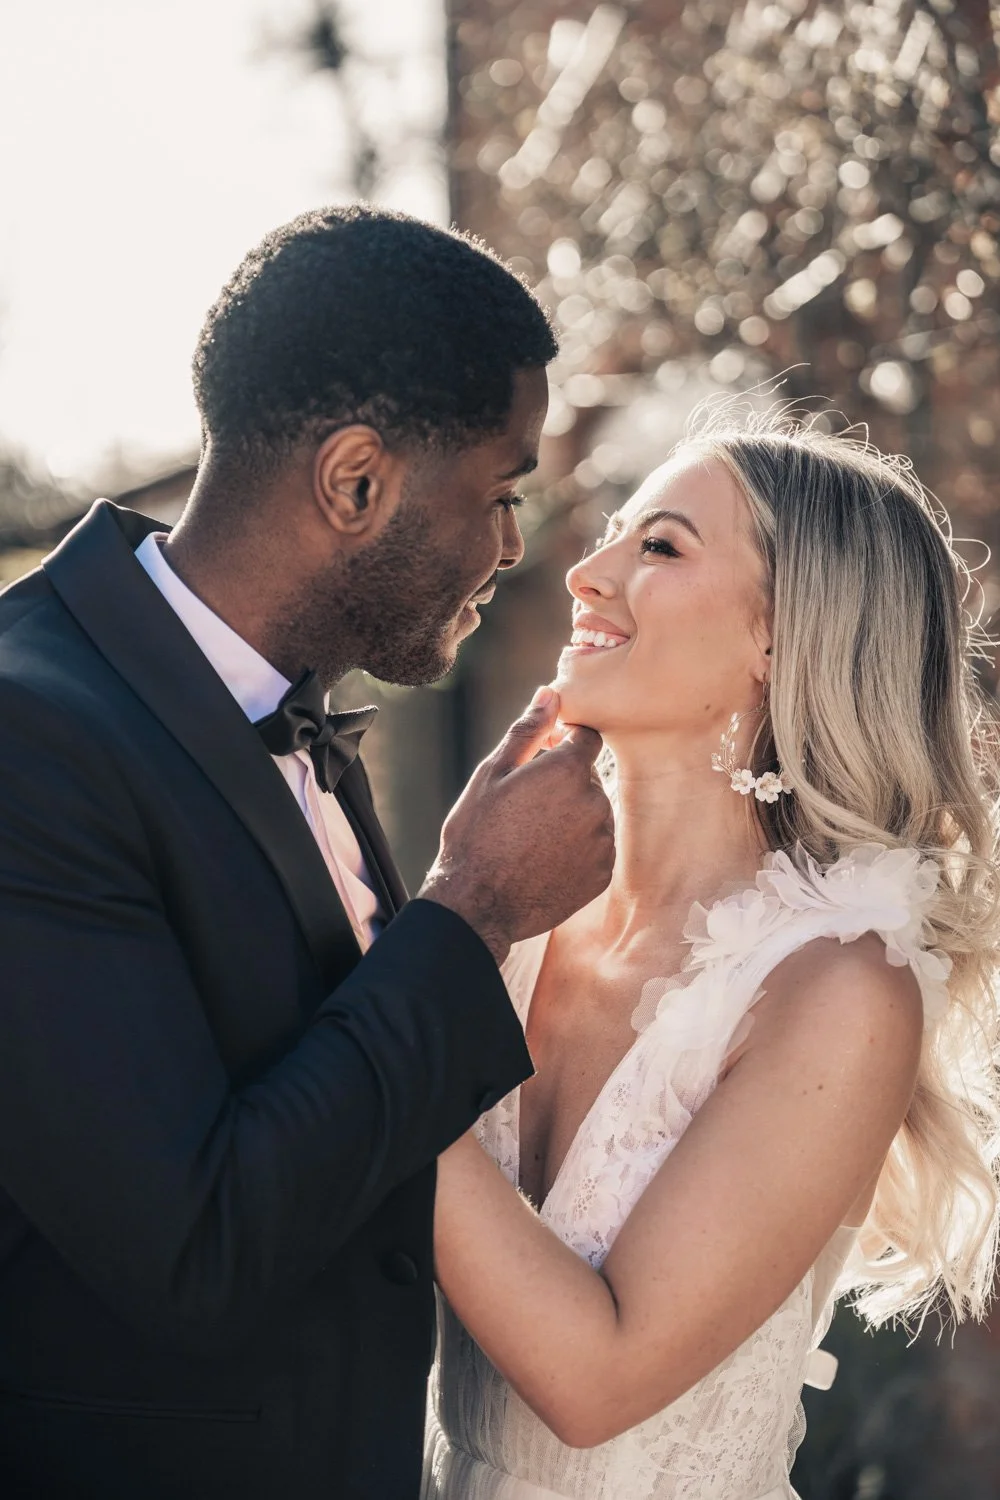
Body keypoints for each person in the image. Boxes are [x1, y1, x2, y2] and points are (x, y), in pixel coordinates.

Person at [0, 206, 615, 1500]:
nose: (514, 547)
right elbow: (194, 1245)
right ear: (356, 482)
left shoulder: (277, 712)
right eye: (499, 492)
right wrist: (474, 913)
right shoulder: (28, 737)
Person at [423, 407, 1000, 1500]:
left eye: (658, 547)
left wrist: (385, 1032)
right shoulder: (516, 918)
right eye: (614, 534)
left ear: (782, 634)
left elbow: (595, 1381)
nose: (586, 576)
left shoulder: (836, 990)